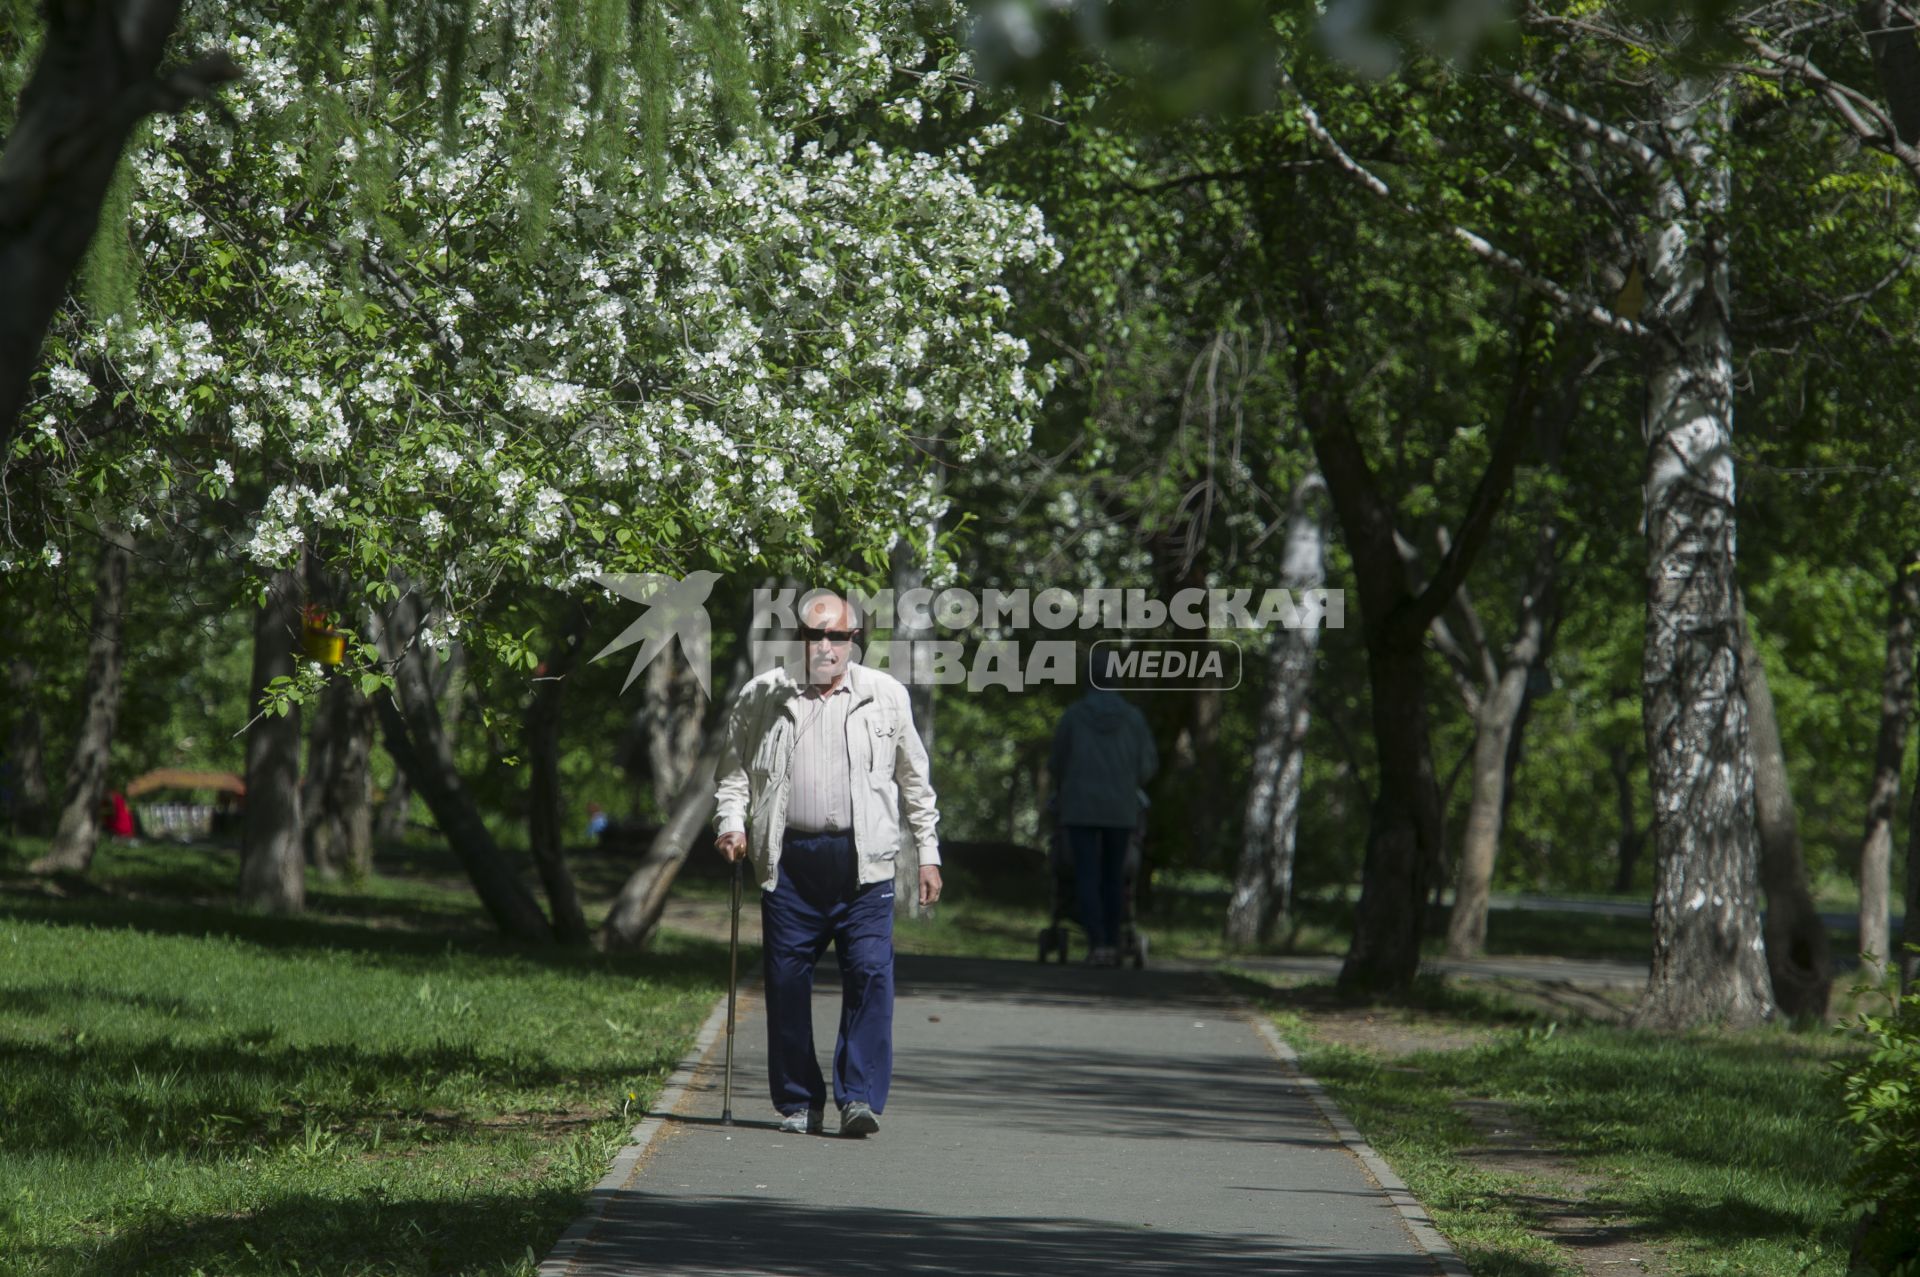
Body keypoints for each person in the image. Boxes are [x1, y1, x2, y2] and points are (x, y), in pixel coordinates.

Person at [713, 591, 942, 1138]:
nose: (825, 646)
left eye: (836, 636)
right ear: (799, 639)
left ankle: (858, 1098)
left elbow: (915, 782)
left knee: (869, 974)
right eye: (815, 635)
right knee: (787, 981)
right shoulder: (762, 694)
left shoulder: (886, 696)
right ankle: (798, 1101)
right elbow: (733, 773)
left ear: (853, 640)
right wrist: (731, 824)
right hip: (790, 861)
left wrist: (928, 853)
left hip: (865, 866)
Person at [1050, 650, 1158, 966]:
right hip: (1121, 809)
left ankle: (1097, 944)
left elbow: (1057, 761)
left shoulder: (1074, 716)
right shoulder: (1133, 719)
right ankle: (1112, 940)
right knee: (1114, 875)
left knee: (1086, 873)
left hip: (1079, 807)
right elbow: (1148, 765)